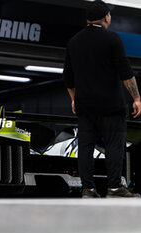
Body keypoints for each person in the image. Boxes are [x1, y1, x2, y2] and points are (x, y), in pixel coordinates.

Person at [64, 0, 141, 198]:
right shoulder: (112, 39)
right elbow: (126, 72)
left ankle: (88, 189)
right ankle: (114, 187)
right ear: (106, 16)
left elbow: (68, 78)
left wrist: (74, 99)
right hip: (110, 106)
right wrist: (137, 98)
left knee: (85, 147)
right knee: (115, 145)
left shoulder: (74, 41)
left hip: (85, 106)